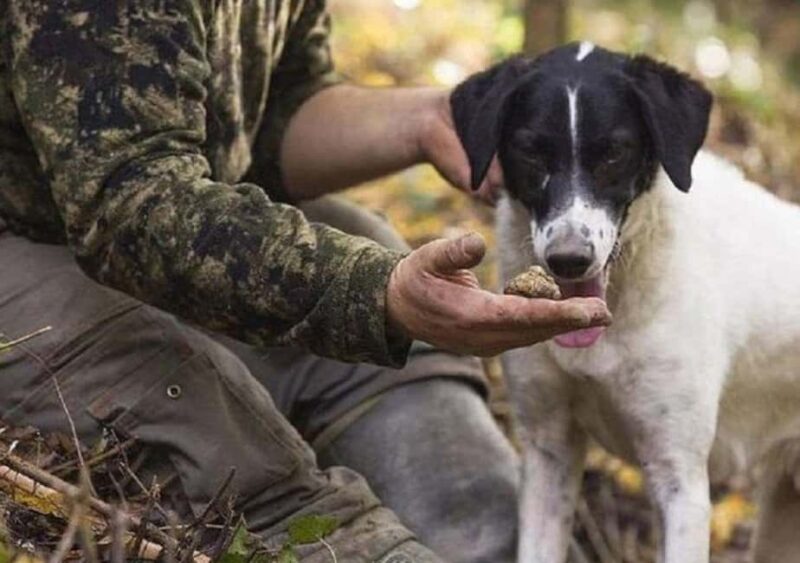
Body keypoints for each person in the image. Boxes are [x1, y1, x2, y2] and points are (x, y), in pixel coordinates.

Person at [0, 1, 610, 562]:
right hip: (25, 245)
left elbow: (264, 123)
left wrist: (426, 120)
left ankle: (492, 540)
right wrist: (377, 294)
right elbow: (131, 205)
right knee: (218, 439)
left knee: (365, 246)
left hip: (112, 222)